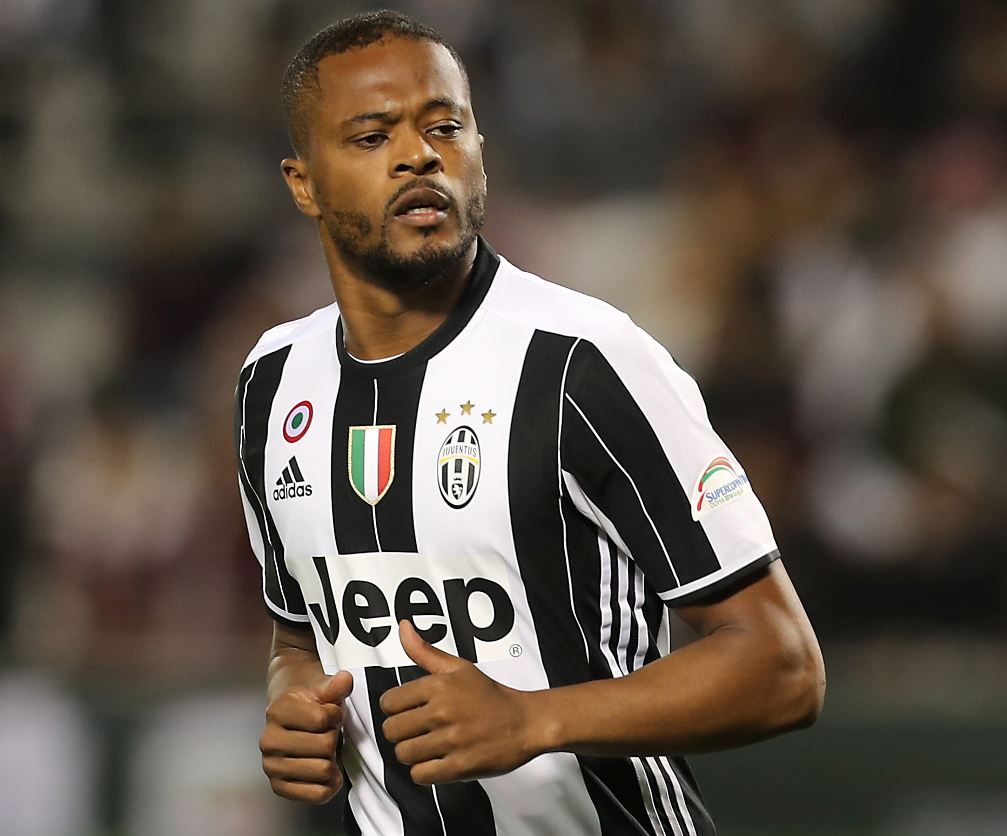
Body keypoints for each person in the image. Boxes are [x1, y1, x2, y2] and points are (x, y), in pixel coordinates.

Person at [235, 10, 825, 835]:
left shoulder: (585, 361)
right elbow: (300, 633)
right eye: (372, 137)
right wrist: (293, 700)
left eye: (445, 126)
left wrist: (533, 719)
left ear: (481, 153)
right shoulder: (271, 382)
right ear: (303, 183)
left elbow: (783, 666)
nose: (419, 155)